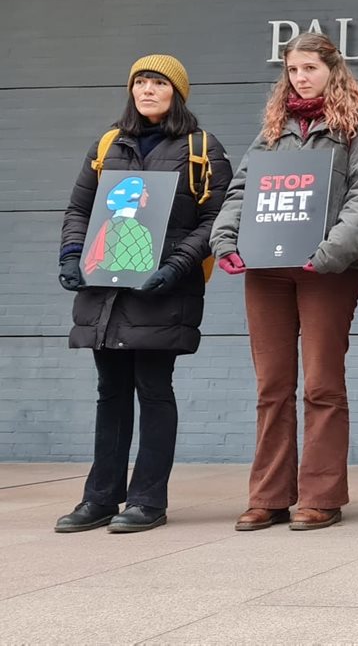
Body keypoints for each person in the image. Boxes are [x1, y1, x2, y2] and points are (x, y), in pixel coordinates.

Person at [210, 33, 358, 532]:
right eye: (293, 69)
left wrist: (331, 252)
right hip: (266, 270)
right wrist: (225, 239)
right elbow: (243, 186)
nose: (301, 77)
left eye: (310, 67)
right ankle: (268, 496)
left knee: (322, 384)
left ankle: (321, 495)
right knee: (272, 385)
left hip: (326, 269)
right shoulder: (275, 125)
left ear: (333, 68)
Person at [55, 55, 231, 534]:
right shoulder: (109, 144)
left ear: (177, 92)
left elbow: (216, 218)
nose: (147, 90)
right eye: (140, 82)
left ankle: (148, 499)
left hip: (163, 292)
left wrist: (176, 266)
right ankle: (99, 499)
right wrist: (71, 255)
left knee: (153, 391)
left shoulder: (201, 148)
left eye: (158, 83)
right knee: (110, 392)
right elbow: (79, 207)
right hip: (105, 292)